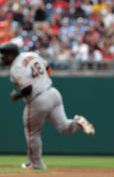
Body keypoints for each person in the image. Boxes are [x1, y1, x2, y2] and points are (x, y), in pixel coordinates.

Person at [0, 42, 95, 170]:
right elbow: (48, 68)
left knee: (32, 134)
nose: (3, 58)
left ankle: (37, 164)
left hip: (38, 100)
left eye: (4, 55)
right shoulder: (31, 54)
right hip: (52, 92)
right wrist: (41, 80)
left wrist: (15, 96)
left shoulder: (16, 67)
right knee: (64, 127)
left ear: (11, 55)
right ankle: (78, 123)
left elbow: (27, 89)